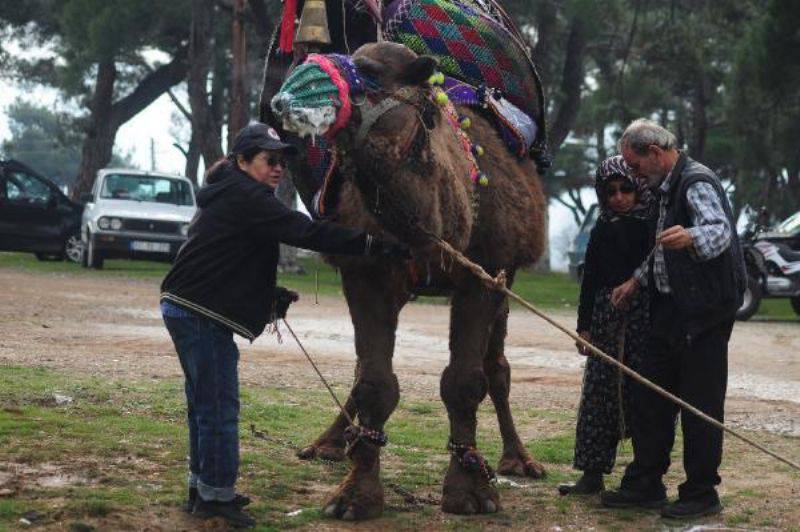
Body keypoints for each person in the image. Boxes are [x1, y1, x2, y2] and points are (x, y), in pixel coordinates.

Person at [160, 123, 409, 528]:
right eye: (269, 160)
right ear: (242, 161)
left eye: (282, 161)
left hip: (186, 306)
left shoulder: (231, 192)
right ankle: (215, 502)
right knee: (219, 408)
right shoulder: (248, 196)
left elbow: (228, 255)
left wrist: (266, 295)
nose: (278, 168)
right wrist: (369, 244)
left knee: (204, 407)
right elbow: (305, 231)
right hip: (198, 313)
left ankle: (204, 489)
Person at [601, 119, 745, 519]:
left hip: (703, 314)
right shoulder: (665, 188)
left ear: (656, 153)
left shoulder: (696, 182)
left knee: (700, 405)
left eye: (636, 164)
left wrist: (692, 237)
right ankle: (646, 483)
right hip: (671, 311)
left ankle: (701, 494)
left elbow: (720, 232)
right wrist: (636, 279)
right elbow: (664, 248)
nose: (634, 174)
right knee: (651, 398)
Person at [558, 155, 655, 496]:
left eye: (625, 189)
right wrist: (584, 328)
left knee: (642, 397)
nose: (619, 198)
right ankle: (592, 474)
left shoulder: (652, 225)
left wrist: (635, 289)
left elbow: (657, 271)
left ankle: (643, 479)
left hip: (643, 321)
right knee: (598, 397)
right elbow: (590, 281)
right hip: (604, 319)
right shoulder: (602, 226)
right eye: (610, 191)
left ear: (637, 189)